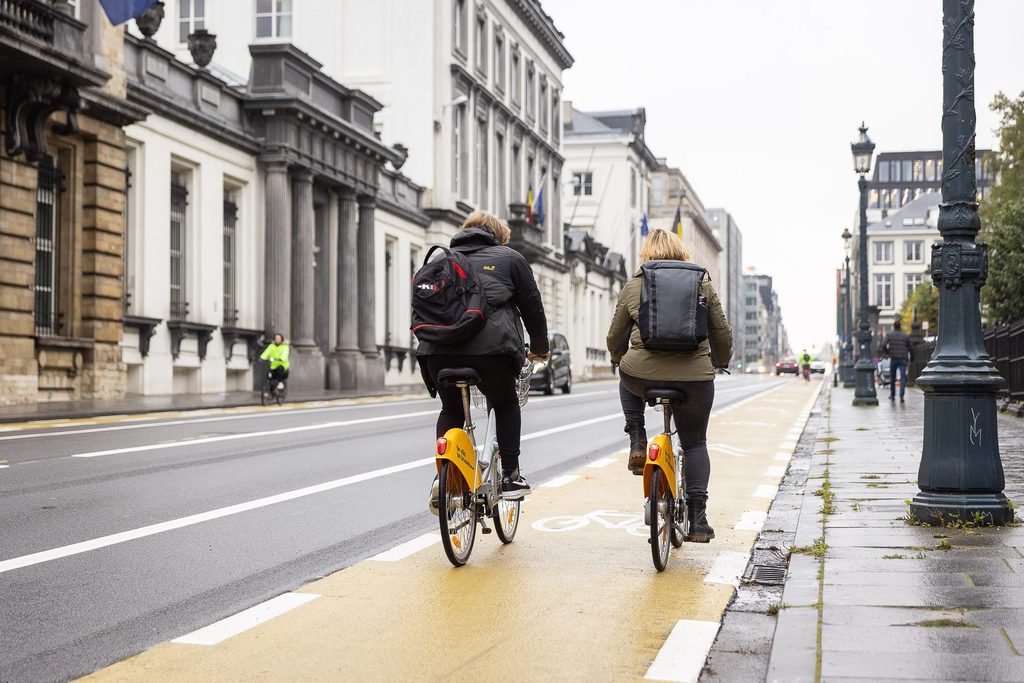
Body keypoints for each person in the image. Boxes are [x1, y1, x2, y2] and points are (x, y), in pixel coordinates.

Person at [606, 229, 733, 542]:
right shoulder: (702, 282)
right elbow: (721, 333)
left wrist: (618, 356)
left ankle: (637, 439)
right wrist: (721, 360)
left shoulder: (634, 284)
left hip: (642, 376)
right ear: (681, 253)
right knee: (694, 444)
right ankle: (698, 520)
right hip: (695, 379)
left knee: (625, 373)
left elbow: (614, 336)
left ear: (646, 255)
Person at [418, 211, 549, 499]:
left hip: (436, 353)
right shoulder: (511, 258)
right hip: (492, 352)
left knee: (450, 408)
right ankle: (511, 476)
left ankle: (443, 479)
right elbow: (533, 310)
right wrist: (539, 348)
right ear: (498, 237)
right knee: (504, 402)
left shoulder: (442, 260)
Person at [883, 319, 911, 402]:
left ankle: (892, 395)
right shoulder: (905, 336)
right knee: (903, 377)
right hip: (903, 358)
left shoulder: (889, 335)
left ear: (894, 326)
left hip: (894, 358)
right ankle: (902, 395)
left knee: (893, 377)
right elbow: (910, 347)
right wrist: (912, 357)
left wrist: (887, 352)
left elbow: (883, 344)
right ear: (900, 326)